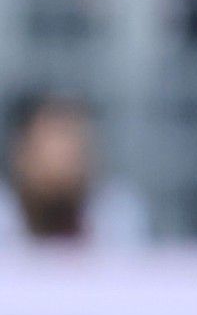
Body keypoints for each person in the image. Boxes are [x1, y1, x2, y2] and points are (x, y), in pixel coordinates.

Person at [0, 93, 147, 245]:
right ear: (22, 154)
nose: (66, 159)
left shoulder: (115, 214)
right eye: (54, 148)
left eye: (75, 148)